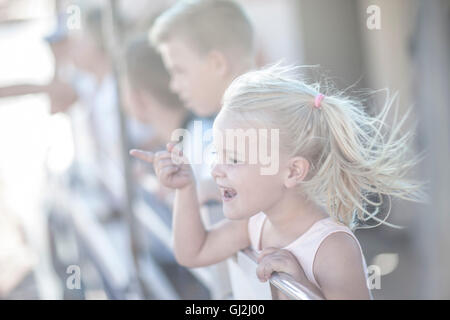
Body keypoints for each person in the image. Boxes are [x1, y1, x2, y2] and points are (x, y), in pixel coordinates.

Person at [130, 65, 426, 299]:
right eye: (216, 153)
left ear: (292, 172)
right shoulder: (254, 223)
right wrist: (185, 188)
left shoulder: (333, 249)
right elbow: (192, 253)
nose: (215, 169)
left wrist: (302, 289)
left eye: (233, 159)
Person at [147, 0, 256, 208]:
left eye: (179, 71)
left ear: (217, 64)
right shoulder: (211, 127)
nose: (174, 85)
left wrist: (198, 193)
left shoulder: (259, 134)